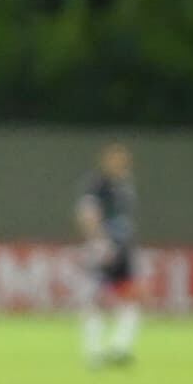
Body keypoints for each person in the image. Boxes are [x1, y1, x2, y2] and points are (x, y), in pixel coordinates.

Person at [75, 142, 140, 367]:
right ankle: (93, 352)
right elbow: (87, 214)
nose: (120, 163)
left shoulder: (124, 186)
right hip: (104, 248)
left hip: (123, 249)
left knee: (130, 297)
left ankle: (119, 347)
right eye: (115, 159)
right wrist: (99, 242)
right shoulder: (97, 184)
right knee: (96, 299)